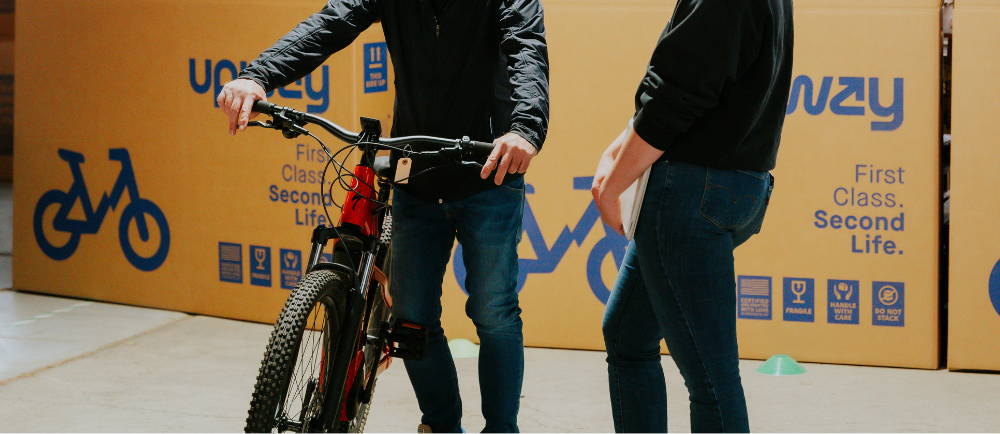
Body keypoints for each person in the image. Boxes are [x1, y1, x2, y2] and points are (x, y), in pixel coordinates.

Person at [216, 1, 549, 432]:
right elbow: (331, 22)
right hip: (417, 172)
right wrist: (258, 74)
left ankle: (503, 429)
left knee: (494, 311)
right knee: (411, 316)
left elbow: (527, 50)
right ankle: (442, 425)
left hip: (489, 172)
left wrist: (525, 127)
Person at [591, 0, 793, 432]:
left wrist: (613, 184)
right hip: (730, 184)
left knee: (710, 379)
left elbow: (678, 92)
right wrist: (622, 142)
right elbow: (695, 77)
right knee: (628, 335)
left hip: (691, 191)